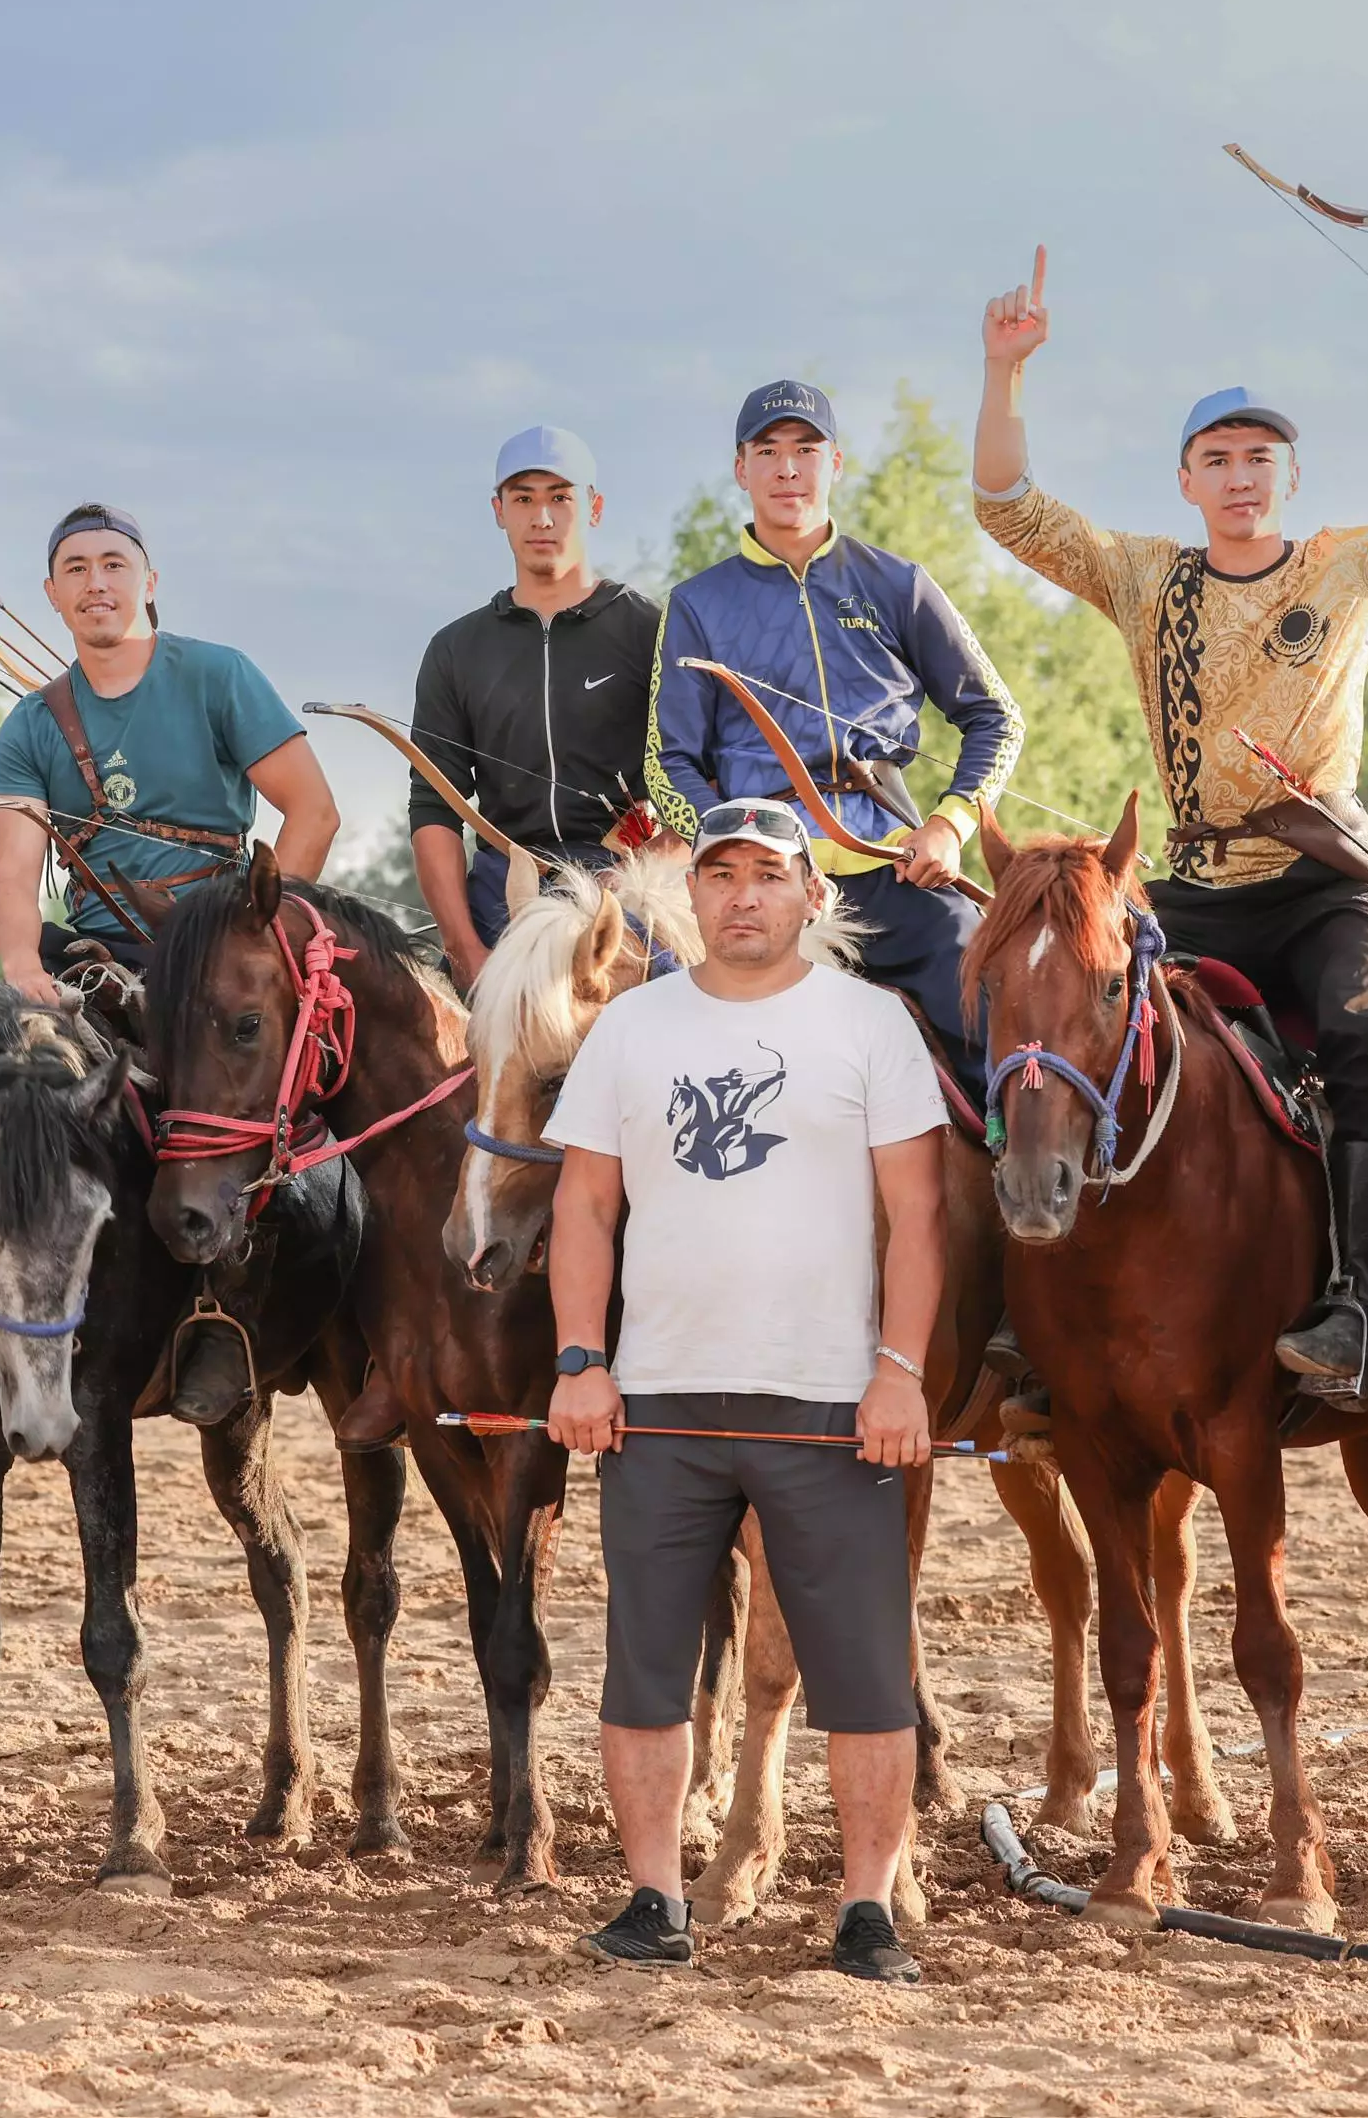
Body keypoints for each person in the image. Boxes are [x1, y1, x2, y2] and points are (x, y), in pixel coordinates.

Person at [971, 263, 1368, 1411]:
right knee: (1071, 1019)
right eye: (1217, 459)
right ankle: (1047, 1322)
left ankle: (1366, 1312)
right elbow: (1006, 506)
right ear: (1185, 480)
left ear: (1289, 476)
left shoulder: (1349, 563)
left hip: (1332, 884)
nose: (1239, 476)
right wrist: (1003, 370)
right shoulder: (1142, 577)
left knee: (1361, 1039)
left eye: (1258, 458)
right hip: (1192, 885)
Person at [544, 794, 947, 1986]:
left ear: (809, 893)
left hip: (829, 1402)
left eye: (766, 874)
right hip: (659, 1400)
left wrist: (902, 1371)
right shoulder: (631, 1028)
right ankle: (655, 1895)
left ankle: (865, 1908)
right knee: (646, 1666)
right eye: (719, 875)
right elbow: (583, 1205)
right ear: (695, 894)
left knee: (866, 1677)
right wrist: (578, 1355)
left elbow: (917, 1217)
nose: (742, 896)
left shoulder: (870, 1025)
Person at [647, 382, 1019, 1103]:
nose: (789, 469)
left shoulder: (899, 583)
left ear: (836, 462)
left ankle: (1020, 1193)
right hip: (764, 888)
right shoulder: (696, 604)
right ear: (741, 470)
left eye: (806, 449)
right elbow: (669, 764)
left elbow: (997, 717)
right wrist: (741, 852)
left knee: (1002, 1023)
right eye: (769, 451)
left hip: (897, 871)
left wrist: (948, 825)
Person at [0, 502, 339, 1004]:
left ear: (149, 583)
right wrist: (22, 965)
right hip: (93, 964)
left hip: (220, 943)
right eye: (76, 569)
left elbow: (315, 813)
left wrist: (254, 931)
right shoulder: (30, 723)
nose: (96, 583)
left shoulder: (220, 675)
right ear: (53, 594)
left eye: (114, 565)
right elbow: (12, 874)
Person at [408, 425, 662, 985]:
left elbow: (694, 778)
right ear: (498, 510)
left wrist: (656, 875)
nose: (541, 519)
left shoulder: (653, 631)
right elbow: (434, 808)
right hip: (504, 887)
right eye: (523, 499)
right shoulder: (456, 648)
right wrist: (464, 949)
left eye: (560, 499)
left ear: (593, 508)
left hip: (628, 887)